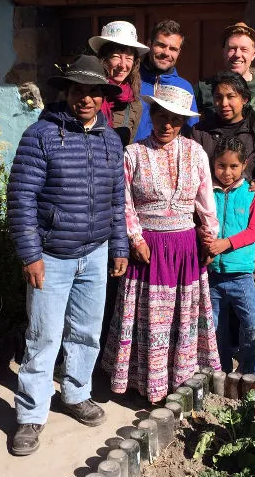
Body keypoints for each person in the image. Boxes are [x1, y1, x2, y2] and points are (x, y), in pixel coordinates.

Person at [7, 55, 128, 456]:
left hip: (95, 253)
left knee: (86, 332)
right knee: (43, 337)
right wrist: (30, 254)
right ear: (68, 92)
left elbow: (116, 199)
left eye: (94, 92)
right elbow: (21, 198)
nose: (86, 99)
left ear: (103, 97)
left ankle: (76, 394)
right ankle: (29, 415)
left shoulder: (111, 140)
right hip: (52, 256)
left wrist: (119, 246)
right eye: (79, 90)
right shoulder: (40, 135)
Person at [101, 84, 221, 403]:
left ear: (183, 123)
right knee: (149, 318)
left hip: (185, 249)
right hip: (148, 249)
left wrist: (209, 237)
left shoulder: (195, 153)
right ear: (151, 115)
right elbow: (122, 201)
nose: (167, 125)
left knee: (181, 316)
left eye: (176, 119)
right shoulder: (133, 154)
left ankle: (177, 381)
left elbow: (205, 200)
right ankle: (147, 385)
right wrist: (135, 238)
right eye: (161, 116)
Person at [204, 137, 255, 375]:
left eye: (233, 166)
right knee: (213, 328)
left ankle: (252, 375)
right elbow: (199, 222)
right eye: (221, 166)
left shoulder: (251, 195)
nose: (227, 172)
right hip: (212, 276)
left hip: (240, 275)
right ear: (213, 164)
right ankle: (219, 373)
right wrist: (205, 241)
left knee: (254, 327)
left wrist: (226, 243)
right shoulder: (207, 192)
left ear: (244, 165)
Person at [191, 71, 255, 196]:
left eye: (230, 96)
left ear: (244, 99)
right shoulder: (200, 132)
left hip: (245, 207)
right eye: (218, 97)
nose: (224, 103)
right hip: (207, 205)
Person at [134, 19, 199, 142]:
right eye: (161, 45)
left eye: (173, 49)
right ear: (149, 44)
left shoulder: (184, 88)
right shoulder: (131, 80)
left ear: (179, 52)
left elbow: (191, 132)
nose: (166, 53)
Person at [89, 21, 150, 146]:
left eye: (128, 58)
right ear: (103, 59)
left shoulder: (134, 104)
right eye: (116, 56)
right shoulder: (86, 94)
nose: (123, 65)